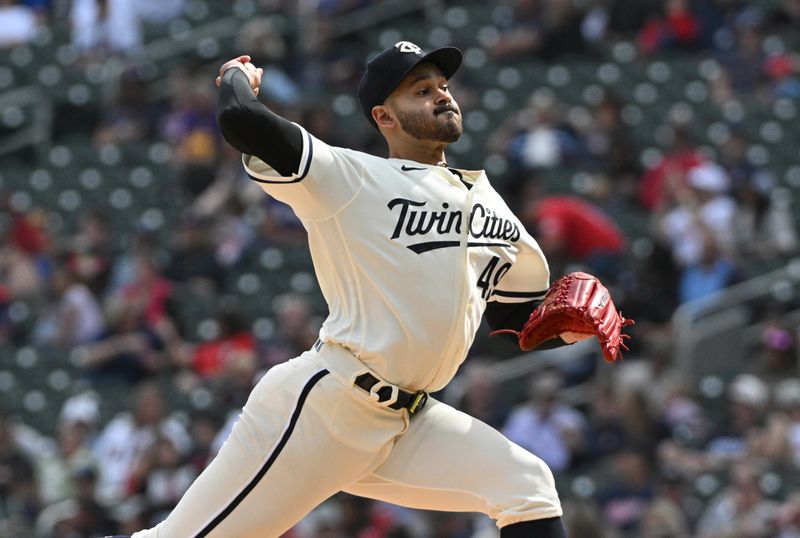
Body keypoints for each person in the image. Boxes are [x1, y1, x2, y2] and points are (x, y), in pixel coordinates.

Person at [117, 41, 592, 538]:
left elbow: (516, 323)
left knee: (527, 484)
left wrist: (566, 331)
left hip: (409, 421)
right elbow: (241, 117)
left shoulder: (493, 206)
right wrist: (237, 75)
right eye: (422, 90)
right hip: (329, 406)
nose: (442, 96)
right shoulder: (351, 178)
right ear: (384, 116)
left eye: (444, 86)